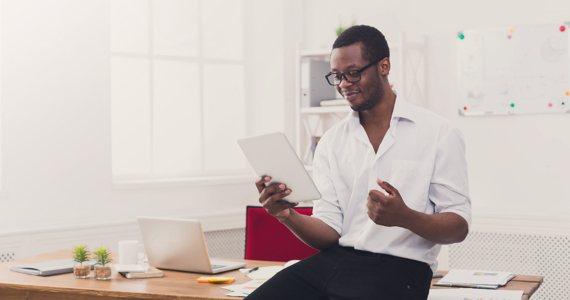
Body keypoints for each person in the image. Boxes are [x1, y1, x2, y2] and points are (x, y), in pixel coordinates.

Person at [246, 25, 471, 300]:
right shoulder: (331, 142)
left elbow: (459, 226)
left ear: (384, 66)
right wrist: (287, 215)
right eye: (337, 76)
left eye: (353, 73)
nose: (343, 84)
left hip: (401, 269)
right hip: (334, 261)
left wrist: (405, 217)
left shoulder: (439, 133)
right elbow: (328, 232)